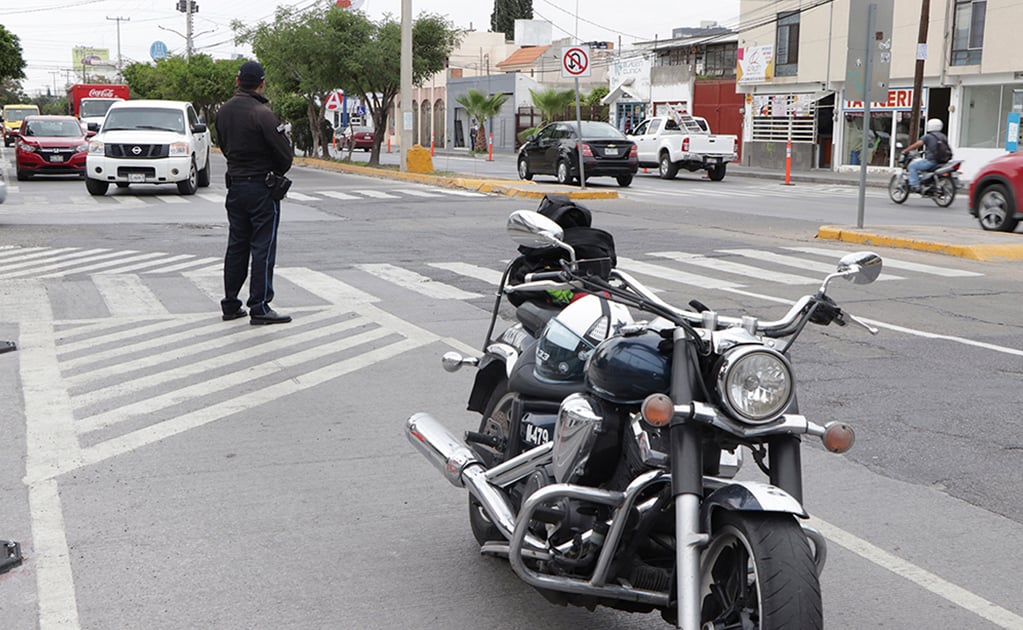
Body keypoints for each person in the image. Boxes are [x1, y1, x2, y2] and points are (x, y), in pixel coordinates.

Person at [215, 60, 294, 325]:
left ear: (238, 81)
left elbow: (224, 146)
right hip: (261, 187)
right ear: (261, 83)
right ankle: (259, 306)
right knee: (263, 246)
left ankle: (230, 303)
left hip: (235, 185)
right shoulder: (263, 113)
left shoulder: (222, 111)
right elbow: (285, 155)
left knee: (237, 245)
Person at [902, 118, 949, 193]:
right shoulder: (943, 136)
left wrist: (906, 150)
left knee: (912, 166)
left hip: (932, 161)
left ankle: (915, 185)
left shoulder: (928, 136)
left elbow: (917, 144)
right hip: (942, 161)